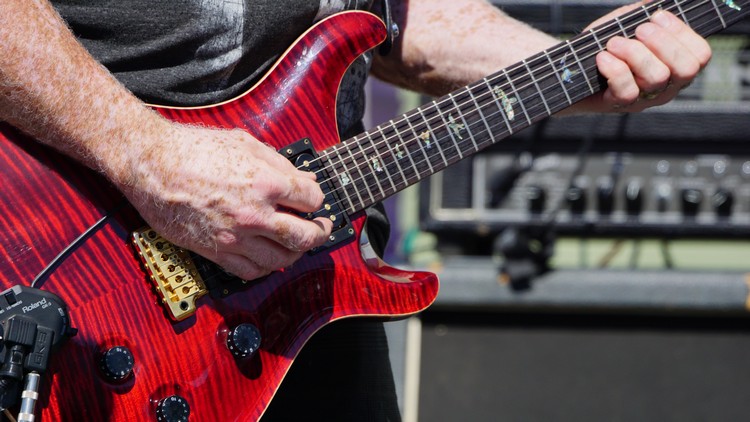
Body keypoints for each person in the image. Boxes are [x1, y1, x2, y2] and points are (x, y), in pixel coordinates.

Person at [0, 0, 711, 420]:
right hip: (72, 254)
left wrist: (580, 63)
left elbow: (396, 20)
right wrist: (144, 154)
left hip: (309, 294)